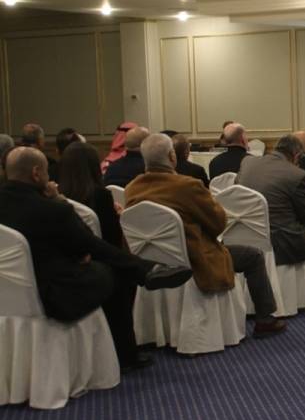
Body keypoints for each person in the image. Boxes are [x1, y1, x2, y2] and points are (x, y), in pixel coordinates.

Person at [0, 146, 192, 371]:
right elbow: (88, 242)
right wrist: (59, 200)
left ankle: (144, 271)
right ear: (36, 173)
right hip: (51, 295)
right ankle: (126, 353)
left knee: (102, 263)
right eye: (45, 171)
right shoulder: (51, 210)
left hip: (10, 290)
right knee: (114, 275)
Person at [125, 134, 285, 337]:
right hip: (194, 258)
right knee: (253, 256)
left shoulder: (131, 189)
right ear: (172, 156)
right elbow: (218, 224)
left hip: (149, 260)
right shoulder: (187, 186)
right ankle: (265, 320)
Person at [238, 134, 305, 276]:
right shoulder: (298, 175)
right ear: (297, 156)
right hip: (282, 243)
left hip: (246, 234)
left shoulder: (247, 163)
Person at [58, 142, 124, 247]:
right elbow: (113, 239)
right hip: (100, 252)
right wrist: (119, 217)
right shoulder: (101, 196)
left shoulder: (57, 195)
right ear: (95, 166)